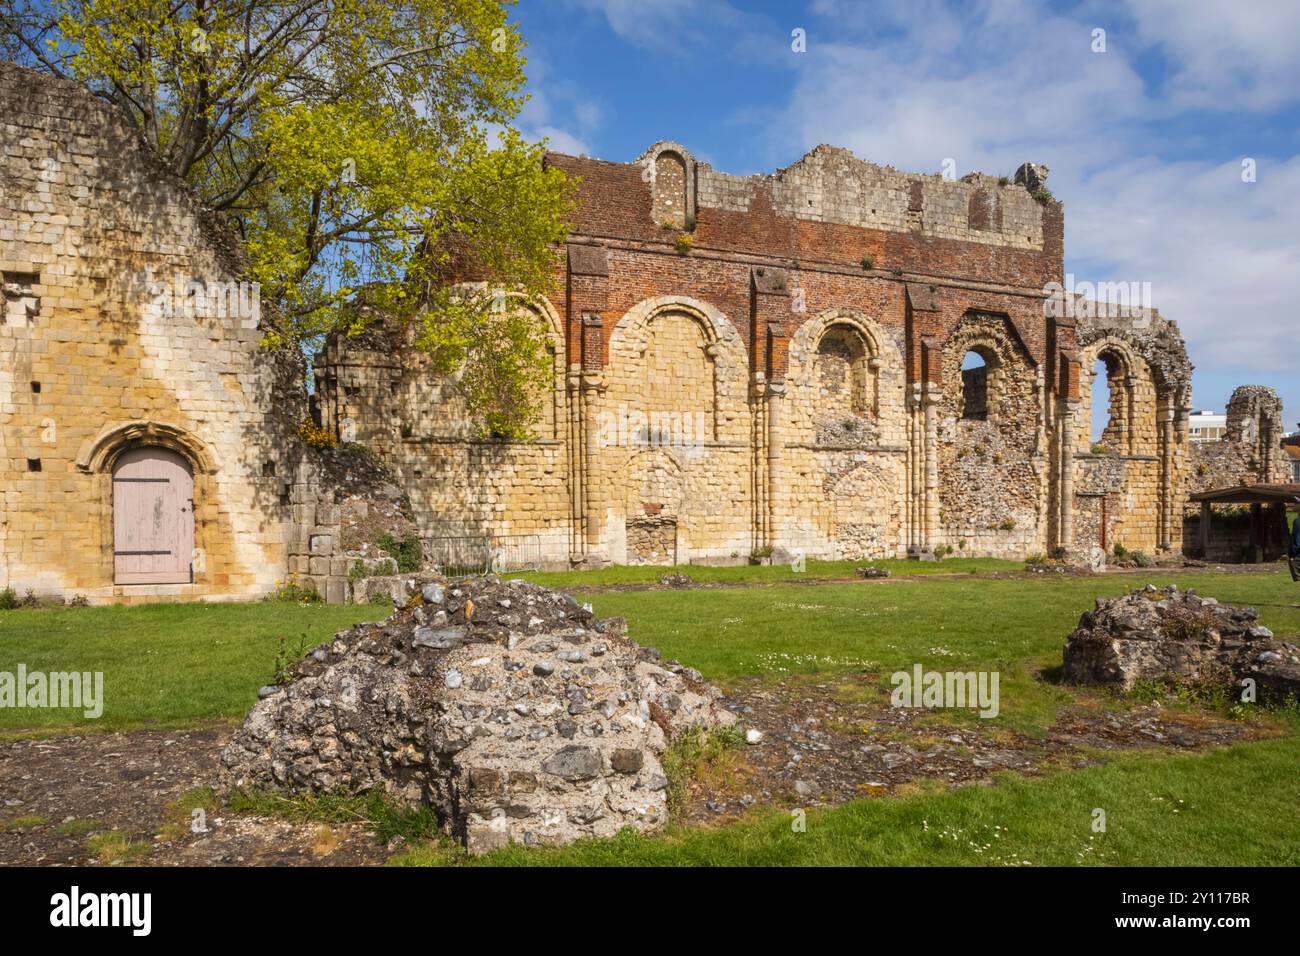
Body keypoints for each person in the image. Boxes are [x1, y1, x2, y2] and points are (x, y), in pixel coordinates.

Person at [1291, 497, 1300, 582]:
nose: (1294, 505)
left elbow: (1297, 541)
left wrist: (1292, 555)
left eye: (1296, 503)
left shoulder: (1297, 521)